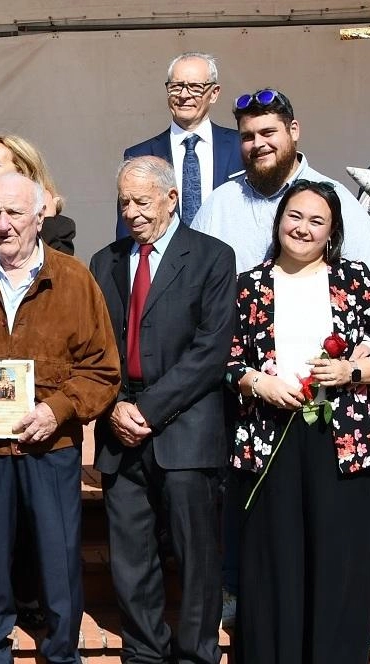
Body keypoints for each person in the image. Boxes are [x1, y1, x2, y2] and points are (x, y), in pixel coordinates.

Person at [0, 173, 121, 664]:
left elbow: (102, 368)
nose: (3, 224)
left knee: (58, 565)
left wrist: (57, 410)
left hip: (51, 448)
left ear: (40, 217)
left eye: (14, 213)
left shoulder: (74, 279)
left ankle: (61, 654)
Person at [89, 156, 235, 664]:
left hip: (186, 429)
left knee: (196, 558)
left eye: (141, 201)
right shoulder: (104, 261)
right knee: (131, 558)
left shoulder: (213, 257)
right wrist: (113, 407)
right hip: (119, 427)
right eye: (124, 202)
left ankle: (196, 654)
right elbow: (95, 349)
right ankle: (144, 653)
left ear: (172, 199)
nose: (130, 212)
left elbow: (209, 352)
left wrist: (146, 410)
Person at [226, 180, 370, 664]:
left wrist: (350, 370)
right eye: (294, 216)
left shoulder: (355, 280)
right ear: (278, 220)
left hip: (340, 439)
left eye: (316, 221)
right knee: (276, 560)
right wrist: (257, 384)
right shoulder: (250, 285)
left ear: (331, 233)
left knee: (338, 560)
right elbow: (226, 362)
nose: (302, 228)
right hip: (269, 437)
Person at [191, 88, 370, 272]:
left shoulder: (334, 199)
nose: (258, 144)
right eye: (248, 137)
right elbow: (191, 274)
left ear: (293, 131)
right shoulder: (220, 203)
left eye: (268, 132)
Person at [118, 52, 242, 238]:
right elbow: (127, 228)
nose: (184, 95)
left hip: (230, 260)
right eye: (176, 87)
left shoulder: (240, 145)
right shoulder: (141, 155)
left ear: (214, 93)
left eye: (195, 87)